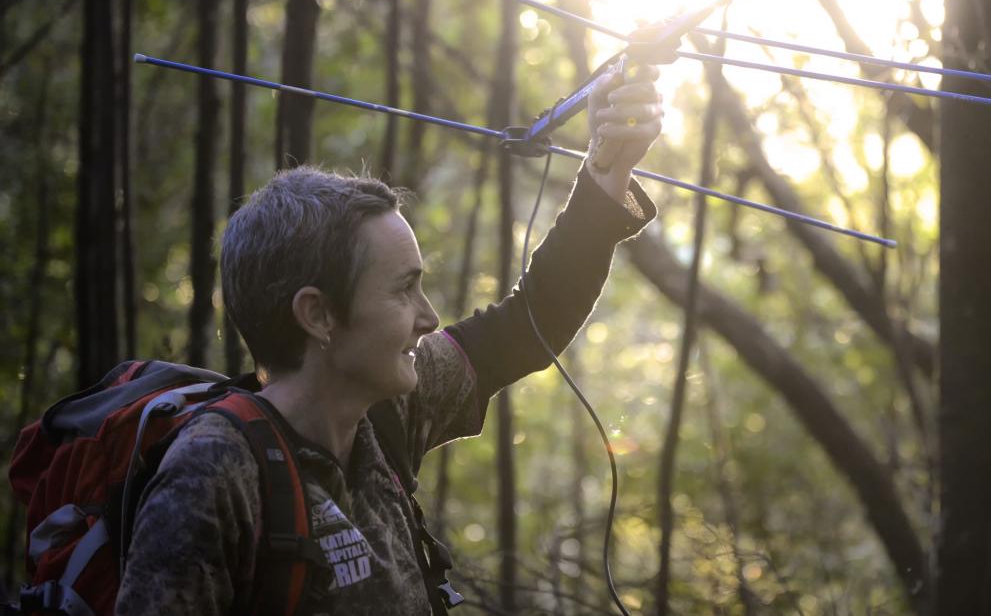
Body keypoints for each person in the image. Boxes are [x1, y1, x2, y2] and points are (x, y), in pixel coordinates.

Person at [115, 64, 664, 615]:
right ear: (319, 315)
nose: (429, 318)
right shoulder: (212, 476)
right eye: (404, 291)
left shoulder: (388, 411)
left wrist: (607, 167)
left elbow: (529, 323)